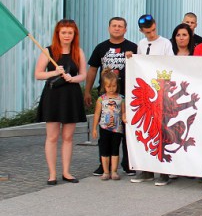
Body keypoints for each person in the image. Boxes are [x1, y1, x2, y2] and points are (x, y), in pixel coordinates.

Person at [35, 19, 87, 185]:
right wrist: (54, 72)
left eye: (70, 33)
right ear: (58, 34)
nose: (66, 36)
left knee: (68, 136)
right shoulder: (48, 51)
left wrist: (73, 78)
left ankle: (66, 172)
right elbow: (38, 74)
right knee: (52, 136)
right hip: (53, 96)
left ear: (74, 34)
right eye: (63, 32)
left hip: (71, 95)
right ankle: (52, 174)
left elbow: (83, 74)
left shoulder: (78, 51)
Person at [84, 17, 137, 177]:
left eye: (120, 26)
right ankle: (104, 165)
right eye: (114, 25)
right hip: (106, 96)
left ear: (125, 29)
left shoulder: (133, 47)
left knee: (126, 131)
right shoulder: (101, 47)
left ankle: (128, 164)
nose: (117, 28)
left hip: (127, 96)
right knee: (105, 132)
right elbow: (93, 70)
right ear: (109, 28)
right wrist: (87, 91)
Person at [130, 14, 174, 186]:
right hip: (148, 91)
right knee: (147, 130)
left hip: (162, 91)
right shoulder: (141, 44)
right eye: (148, 32)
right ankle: (146, 170)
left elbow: (172, 64)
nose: (151, 34)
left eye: (153, 30)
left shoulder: (165, 43)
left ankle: (164, 171)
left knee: (162, 130)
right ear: (142, 31)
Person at [91, 69, 127, 181]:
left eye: (114, 86)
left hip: (117, 128)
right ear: (104, 86)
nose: (111, 89)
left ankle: (114, 171)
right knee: (104, 149)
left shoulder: (121, 98)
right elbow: (97, 114)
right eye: (108, 86)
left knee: (115, 149)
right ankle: (106, 171)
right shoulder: (101, 99)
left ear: (117, 85)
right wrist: (94, 128)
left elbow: (123, 112)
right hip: (104, 128)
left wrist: (124, 118)